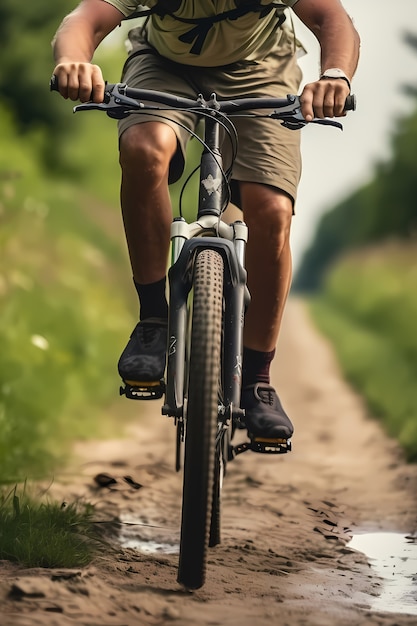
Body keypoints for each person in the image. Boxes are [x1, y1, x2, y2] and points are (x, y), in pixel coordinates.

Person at [52, 0, 360, 442]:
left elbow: (331, 18)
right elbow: (85, 19)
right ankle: (154, 321)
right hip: (164, 64)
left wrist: (334, 76)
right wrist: (74, 61)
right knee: (143, 151)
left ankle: (257, 380)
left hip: (261, 67)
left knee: (271, 210)